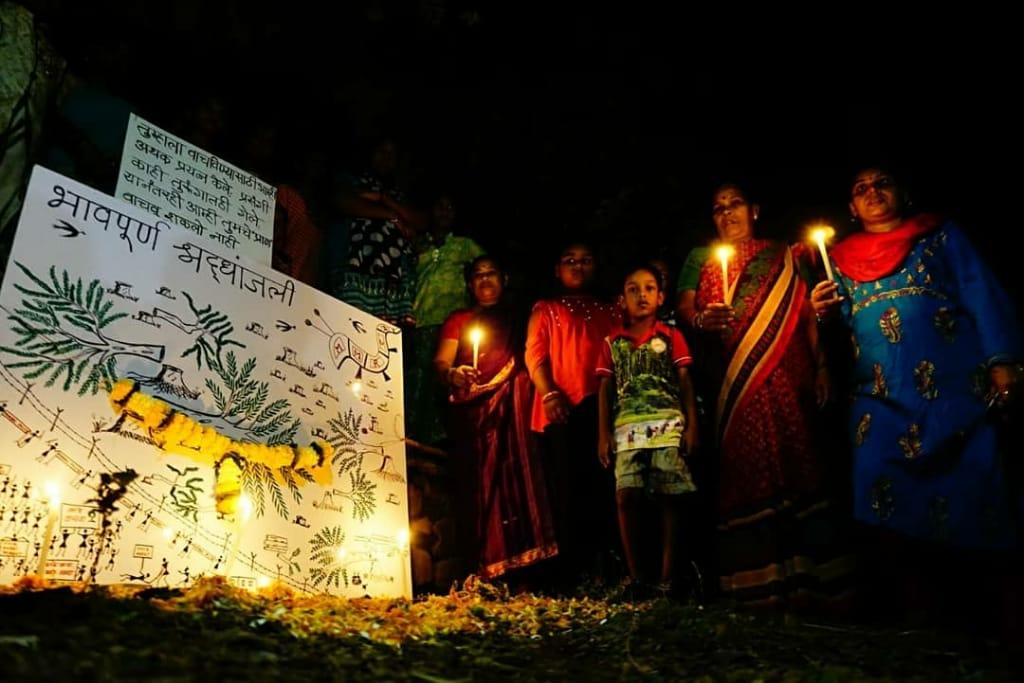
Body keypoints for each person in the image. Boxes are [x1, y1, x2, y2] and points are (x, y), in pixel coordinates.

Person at [811, 167, 1022, 625]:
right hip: (880, 397)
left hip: (953, 393)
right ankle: (915, 618)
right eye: (860, 189)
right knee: (880, 487)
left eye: (881, 183)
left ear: (902, 192)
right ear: (851, 208)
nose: (872, 193)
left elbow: (979, 292)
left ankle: (992, 619)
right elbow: (841, 329)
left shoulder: (938, 237)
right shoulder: (839, 260)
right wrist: (822, 313)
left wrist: (1002, 359)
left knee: (973, 486)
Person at [678, 183, 852, 609]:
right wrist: (701, 318)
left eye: (734, 204)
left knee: (802, 462)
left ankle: (817, 585)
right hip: (732, 380)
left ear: (754, 210)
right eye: (717, 208)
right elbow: (685, 308)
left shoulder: (784, 255)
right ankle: (756, 587)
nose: (726, 213)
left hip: (790, 376)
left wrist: (824, 365)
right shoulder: (699, 259)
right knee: (745, 470)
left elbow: (808, 312)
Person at [435, 256, 557, 580]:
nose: (485, 280)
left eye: (491, 274)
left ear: (504, 279)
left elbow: (531, 356)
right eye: (478, 276)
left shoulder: (518, 318)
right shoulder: (459, 320)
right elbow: (441, 364)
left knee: (522, 476)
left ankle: (531, 567)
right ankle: (486, 566)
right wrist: (454, 374)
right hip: (473, 415)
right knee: (481, 483)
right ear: (469, 284)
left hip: (513, 410)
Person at [596, 263, 699, 596]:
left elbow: (685, 382)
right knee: (626, 495)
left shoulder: (671, 337)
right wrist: (603, 433)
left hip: (668, 424)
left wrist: (692, 425)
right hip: (626, 428)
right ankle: (637, 576)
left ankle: (669, 577)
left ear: (661, 297)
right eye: (633, 289)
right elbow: (605, 389)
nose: (642, 295)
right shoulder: (612, 342)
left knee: (670, 495)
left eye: (649, 288)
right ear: (621, 299)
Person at [525, 240, 619, 585]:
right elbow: (534, 356)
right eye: (570, 260)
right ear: (557, 269)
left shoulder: (611, 309)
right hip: (561, 408)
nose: (578, 266)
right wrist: (549, 393)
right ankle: (570, 570)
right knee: (566, 490)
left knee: (603, 487)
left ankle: (605, 566)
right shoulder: (546, 309)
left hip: (602, 410)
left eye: (586, 260)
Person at [406, 194, 484, 446]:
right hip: (419, 321)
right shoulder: (418, 243)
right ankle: (413, 436)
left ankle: (439, 442)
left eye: (449, 207)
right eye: (439, 206)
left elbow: (485, 269)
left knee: (444, 379)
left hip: (451, 322)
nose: (444, 212)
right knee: (418, 378)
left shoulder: (464, 246)